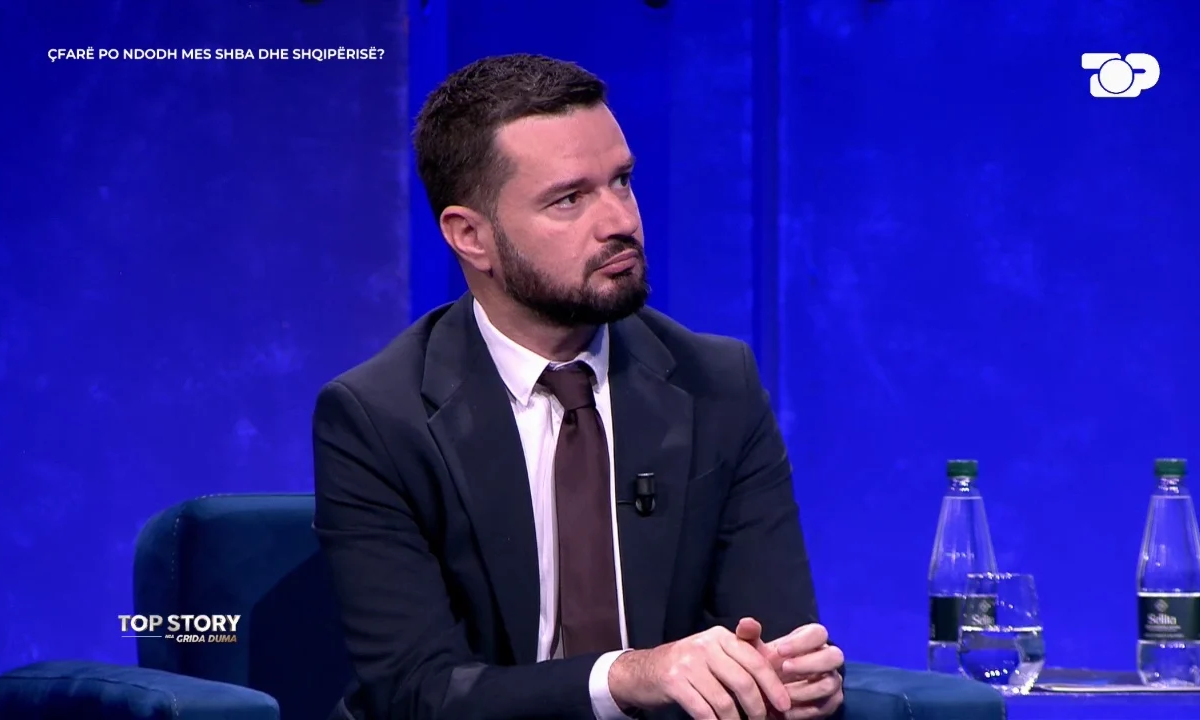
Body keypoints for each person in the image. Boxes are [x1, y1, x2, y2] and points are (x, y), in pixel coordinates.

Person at [311, 52, 844, 720]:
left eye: (622, 181)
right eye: (569, 199)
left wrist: (791, 679)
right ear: (470, 236)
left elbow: (772, 638)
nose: (620, 221)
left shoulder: (717, 385)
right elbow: (419, 693)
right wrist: (625, 677)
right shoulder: (378, 419)